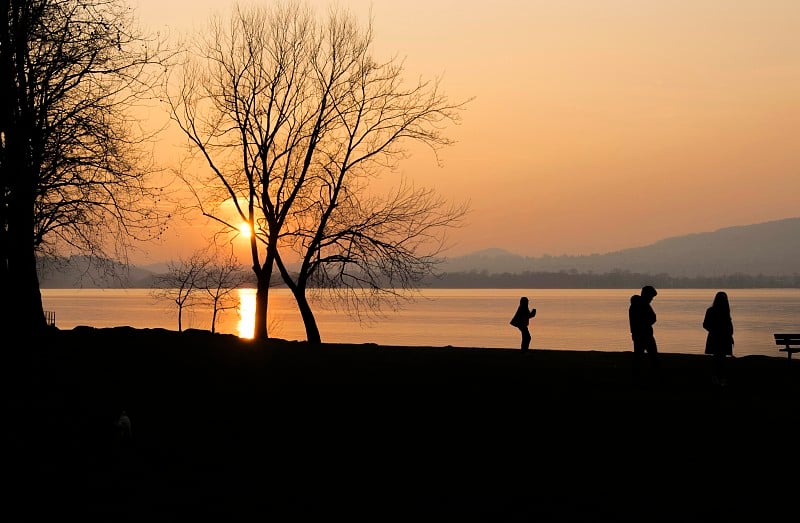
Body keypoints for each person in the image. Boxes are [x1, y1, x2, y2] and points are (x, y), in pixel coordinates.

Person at [628, 285, 660, 378]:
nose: (651, 299)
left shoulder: (636, 305)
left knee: (639, 357)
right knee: (652, 357)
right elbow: (652, 318)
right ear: (646, 295)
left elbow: (652, 318)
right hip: (643, 334)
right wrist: (647, 322)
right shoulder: (643, 305)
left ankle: (637, 375)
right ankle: (651, 376)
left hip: (639, 334)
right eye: (651, 297)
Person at [703, 291, 734, 386]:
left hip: (715, 338)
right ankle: (720, 378)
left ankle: (716, 377)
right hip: (723, 338)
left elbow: (705, 324)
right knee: (721, 359)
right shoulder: (725, 311)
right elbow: (729, 326)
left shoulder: (711, 310)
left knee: (716, 358)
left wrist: (713, 330)